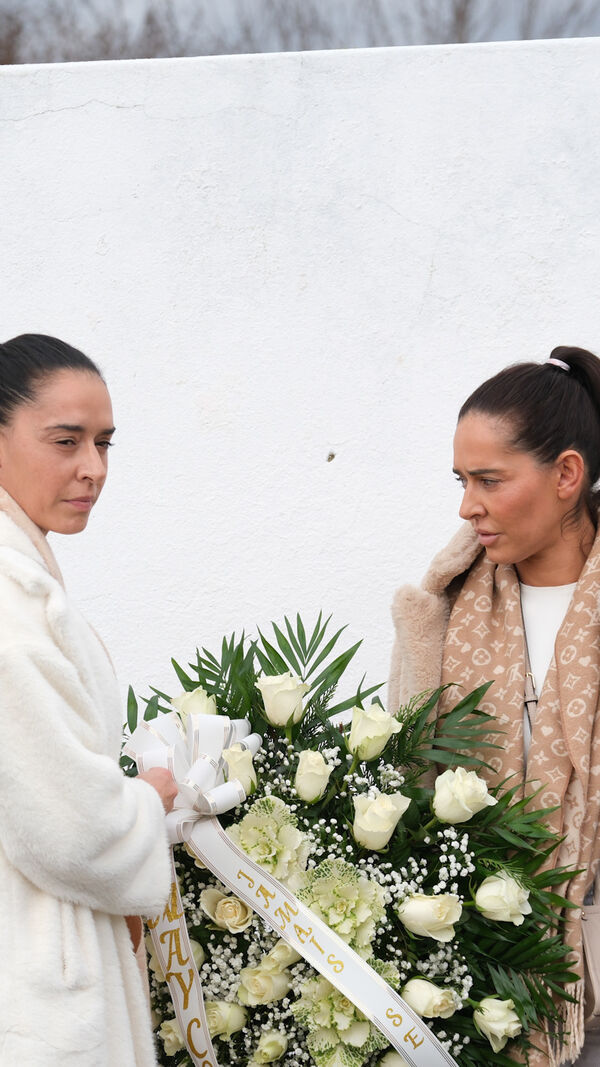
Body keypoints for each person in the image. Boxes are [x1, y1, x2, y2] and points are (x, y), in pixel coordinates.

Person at [389, 346, 600, 1066]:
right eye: (462, 480)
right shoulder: (441, 614)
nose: (466, 505)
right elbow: (408, 789)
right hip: (478, 985)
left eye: (489, 480)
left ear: (566, 475)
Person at [0, 334, 178, 1065]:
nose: (93, 468)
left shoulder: (24, 576)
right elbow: (68, 825)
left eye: (103, 442)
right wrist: (150, 801)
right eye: (65, 440)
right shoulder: (8, 599)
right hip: (30, 973)